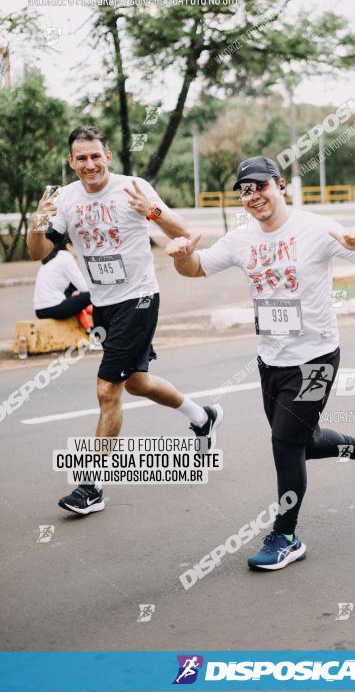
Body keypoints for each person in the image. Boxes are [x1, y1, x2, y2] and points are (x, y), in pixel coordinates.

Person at [167, 155, 355, 572]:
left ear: (280, 184)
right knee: (301, 444)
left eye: (260, 186)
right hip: (272, 360)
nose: (254, 196)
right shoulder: (241, 238)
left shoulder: (316, 228)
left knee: (284, 445)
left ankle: (286, 536)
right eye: (245, 191)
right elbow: (196, 269)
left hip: (317, 357)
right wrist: (181, 254)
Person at [27, 126, 223, 516]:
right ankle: (203, 417)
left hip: (139, 297)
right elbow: (38, 252)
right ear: (71, 162)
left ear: (108, 157)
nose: (89, 164)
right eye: (80, 158)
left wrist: (149, 212)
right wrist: (37, 223)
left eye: (95, 156)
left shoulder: (133, 187)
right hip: (104, 304)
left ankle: (93, 485)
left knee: (107, 388)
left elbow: (183, 231)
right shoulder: (64, 200)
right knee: (136, 382)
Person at [33, 234, 94, 331]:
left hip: (40, 310)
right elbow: (85, 288)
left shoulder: (53, 258)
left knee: (77, 299)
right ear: (69, 246)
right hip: (54, 308)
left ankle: (89, 329)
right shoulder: (66, 257)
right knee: (94, 294)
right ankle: (99, 330)